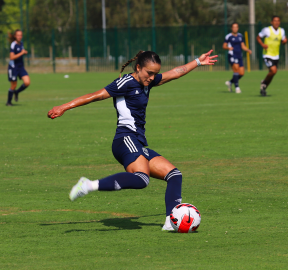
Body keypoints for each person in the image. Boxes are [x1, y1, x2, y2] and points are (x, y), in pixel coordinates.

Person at [47, 50, 217, 231]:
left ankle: (170, 221)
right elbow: (96, 95)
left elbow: (175, 72)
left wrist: (198, 62)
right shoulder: (125, 83)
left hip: (137, 141)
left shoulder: (147, 83)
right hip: (124, 138)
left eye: (154, 73)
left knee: (174, 175)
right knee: (142, 179)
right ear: (138, 68)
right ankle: (88, 185)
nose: (152, 77)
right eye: (149, 73)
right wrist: (64, 107)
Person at [256, 16, 287, 96]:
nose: (276, 22)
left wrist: (285, 41)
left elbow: (283, 41)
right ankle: (263, 83)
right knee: (273, 70)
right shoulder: (267, 30)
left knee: (272, 73)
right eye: (275, 21)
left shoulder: (281, 31)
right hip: (267, 55)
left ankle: (264, 87)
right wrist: (263, 45)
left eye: (278, 21)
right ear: (271, 22)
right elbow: (258, 37)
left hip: (276, 56)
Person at [223, 23, 252, 94]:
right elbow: (224, 46)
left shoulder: (240, 36)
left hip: (239, 56)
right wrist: (228, 48)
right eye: (233, 27)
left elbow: (243, 46)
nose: (235, 28)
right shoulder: (228, 36)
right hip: (232, 55)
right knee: (236, 70)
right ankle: (237, 88)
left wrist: (247, 50)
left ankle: (230, 82)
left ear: (238, 28)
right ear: (231, 28)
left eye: (236, 27)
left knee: (241, 73)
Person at [6, 29, 31, 106]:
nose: (20, 37)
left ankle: (16, 92)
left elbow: (21, 52)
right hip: (13, 67)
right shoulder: (13, 44)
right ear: (15, 36)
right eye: (18, 35)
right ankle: (8, 102)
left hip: (20, 67)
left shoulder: (21, 43)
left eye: (21, 35)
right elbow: (11, 57)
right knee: (14, 85)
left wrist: (24, 52)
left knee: (27, 82)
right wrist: (21, 53)